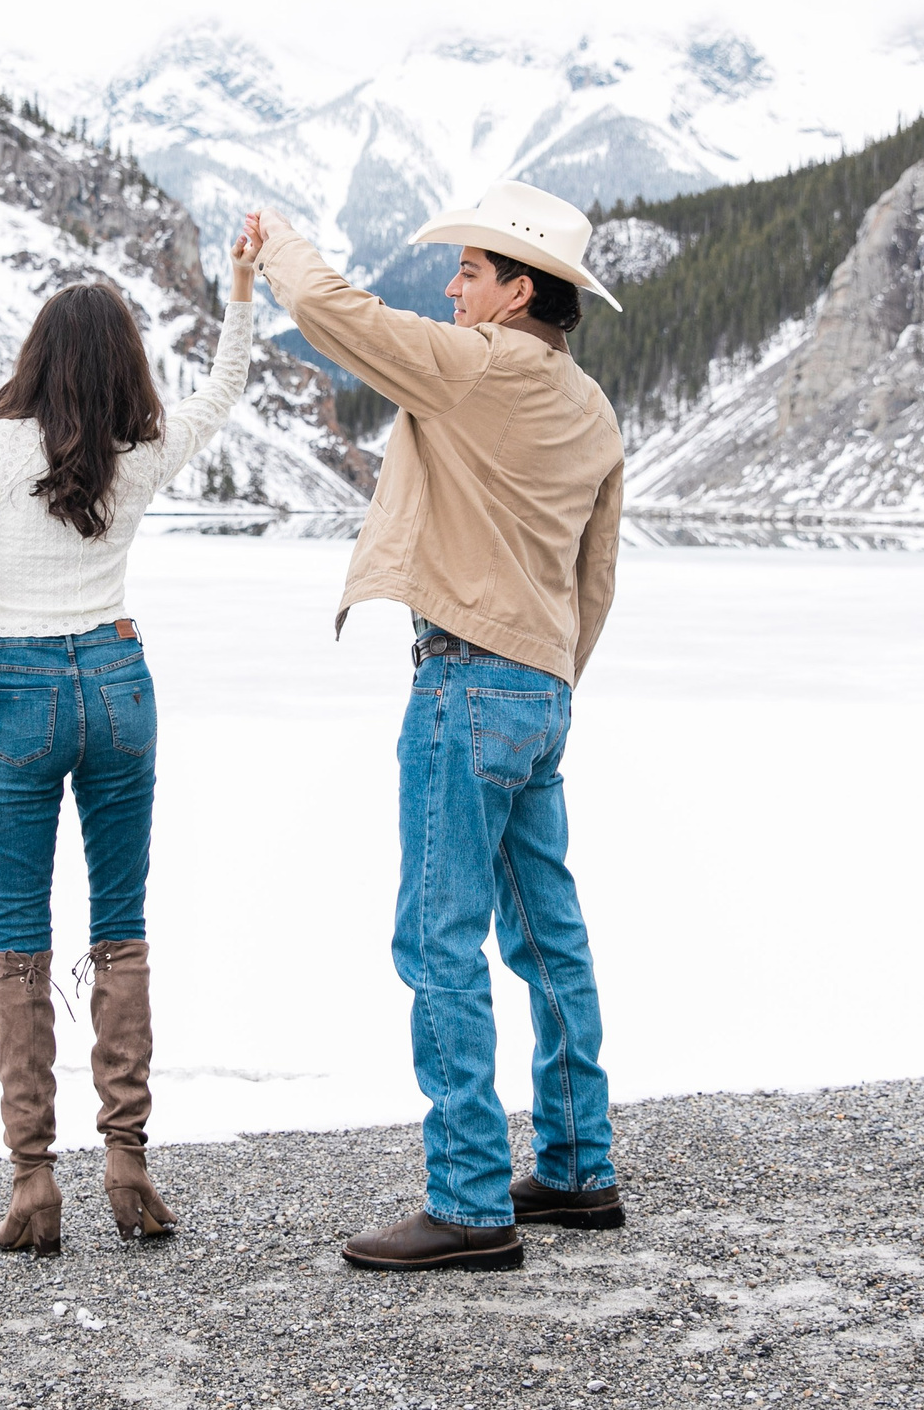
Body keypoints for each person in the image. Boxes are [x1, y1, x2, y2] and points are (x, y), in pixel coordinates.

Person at [249, 180, 628, 1273]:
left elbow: (343, 321)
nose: (451, 287)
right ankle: (574, 1167)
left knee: (439, 939)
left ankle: (467, 1201)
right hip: (538, 689)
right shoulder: (591, 405)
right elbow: (594, 575)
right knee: (545, 931)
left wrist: (276, 241)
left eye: (467, 271)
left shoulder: (477, 365)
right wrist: (551, 681)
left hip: (464, 682)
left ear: (518, 292)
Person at [0, 236, 261, 1258]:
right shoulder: (143, 448)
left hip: (17, 692)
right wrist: (239, 291)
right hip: (120, 682)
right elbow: (225, 387)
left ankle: (34, 1181)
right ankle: (127, 1158)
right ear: (125, 363)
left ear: (37, 355)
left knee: (20, 942)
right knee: (121, 927)